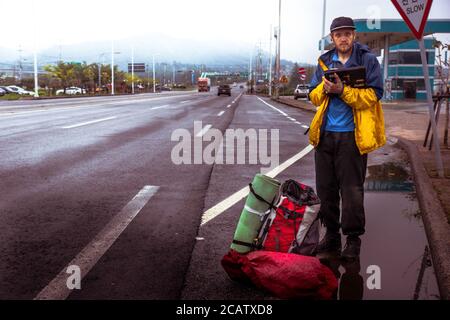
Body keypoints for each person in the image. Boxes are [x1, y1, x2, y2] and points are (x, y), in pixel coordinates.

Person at [308, 17, 386, 259]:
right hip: (325, 136)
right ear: (332, 38)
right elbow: (313, 96)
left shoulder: (367, 60)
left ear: (354, 36)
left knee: (352, 190)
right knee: (326, 189)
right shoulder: (323, 62)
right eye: (338, 34)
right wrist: (325, 87)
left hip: (353, 136)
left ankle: (353, 240)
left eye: (347, 34)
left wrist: (343, 91)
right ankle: (331, 235)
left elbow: (374, 95)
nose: (343, 38)